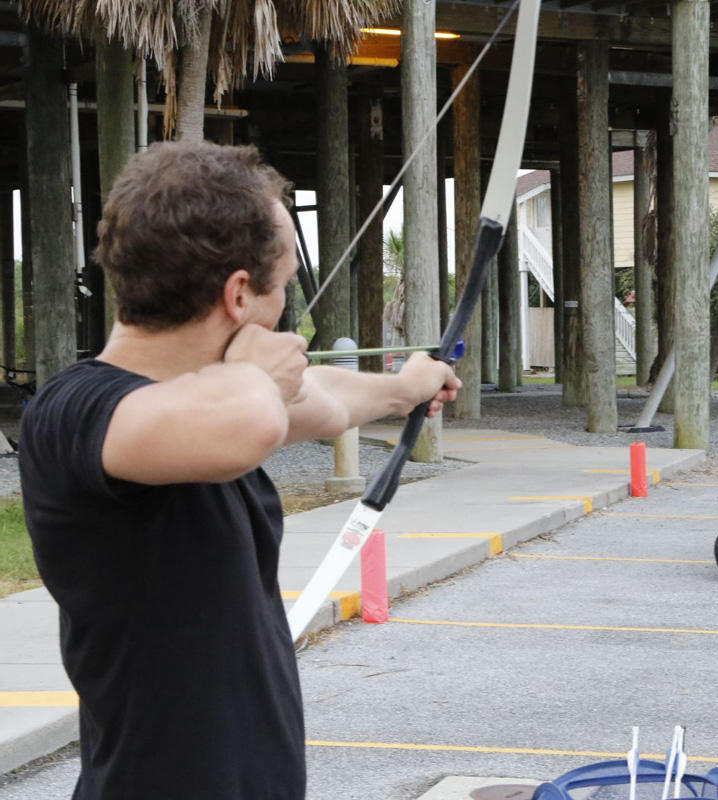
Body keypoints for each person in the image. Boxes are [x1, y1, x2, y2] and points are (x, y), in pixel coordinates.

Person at [18, 141, 460, 800]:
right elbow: (253, 418)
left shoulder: (218, 396)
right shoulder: (77, 411)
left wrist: (407, 388)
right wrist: (255, 370)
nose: (286, 312)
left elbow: (321, 399)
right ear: (238, 294)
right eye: (280, 288)